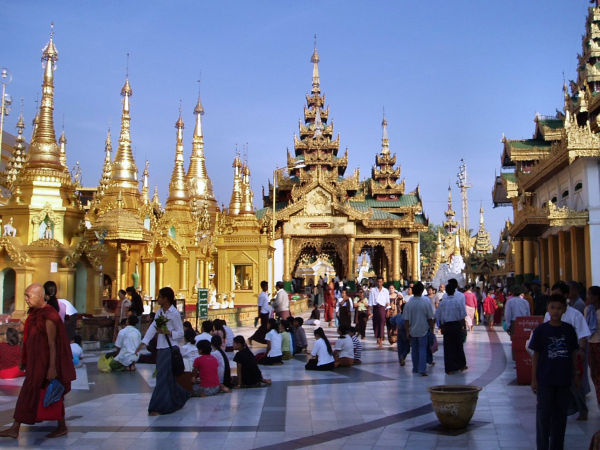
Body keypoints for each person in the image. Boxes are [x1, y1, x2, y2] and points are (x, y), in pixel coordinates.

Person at [0, 283, 76, 439]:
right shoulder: (35, 313)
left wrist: (52, 368)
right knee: (29, 394)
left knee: (53, 395)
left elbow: (52, 344)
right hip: (36, 363)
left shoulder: (49, 316)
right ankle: (16, 428)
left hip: (46, 364)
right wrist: (24, 358)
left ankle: (61, 426)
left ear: (40, 296)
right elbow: (30, 337)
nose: (26, 299)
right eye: (25, 296)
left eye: (29, 296)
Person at [529, 294, 579, 450]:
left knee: (560, 417)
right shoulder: (541, 331)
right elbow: (536, 356)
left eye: (559, 308)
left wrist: (576, 374)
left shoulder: (569, 330)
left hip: (563, 380)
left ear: (564, 309)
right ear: (547, 309)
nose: (556, 311)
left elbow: (573, 354)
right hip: (545, 380)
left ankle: (557, 446)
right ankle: (542, 446)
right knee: (544, 417)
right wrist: (534, 379)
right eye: (553, 308)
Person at [136, 287, 189, 415]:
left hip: (170, 348)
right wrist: (144, 342)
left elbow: (180, 333)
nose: (158, 299)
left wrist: (168, 332)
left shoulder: (174, 313)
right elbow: (153, 327)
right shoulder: (160, 312)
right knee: (166, 377)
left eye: (160, 297)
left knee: (162, 378)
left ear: (166, 299)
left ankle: (157, 407)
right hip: (161, 347)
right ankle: (181, 396)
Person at [545, 281, 591, 421]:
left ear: (565, 296)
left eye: (558, 295)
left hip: (572, 354)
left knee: (575, 383)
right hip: (555, 354)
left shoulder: (575, 315)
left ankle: (582, 409)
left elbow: (583, 334)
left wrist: (581, 350)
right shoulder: (548, 315)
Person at [435, 278, 468, 375]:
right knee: (458, 346)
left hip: (447, 326)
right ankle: (460, 365)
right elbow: (462, 315)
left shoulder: (443, 302)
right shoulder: (458, 301)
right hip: (456, 325)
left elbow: (438, 315)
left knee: (448, 347)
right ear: (454, 290)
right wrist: (463, 327)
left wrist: (441, 326)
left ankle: (449, 368)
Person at [403, 282, 434, 376]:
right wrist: (432, 330)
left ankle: (415, 368)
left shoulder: (409, 304)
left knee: (415, 350)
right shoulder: (426, 302)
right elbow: (430, 318)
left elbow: (406, 320)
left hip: (413, 330)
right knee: (422, 349)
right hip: (423, 329)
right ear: (421, 291)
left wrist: (407, 331)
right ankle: (422, 369)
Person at [585, 286, 600, 406]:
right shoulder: (588, 310)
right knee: (594, 373)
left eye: (590, 295)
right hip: (591, 343)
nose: (588, 297)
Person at [368, 276, 390, 348]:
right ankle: (377, 336)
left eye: (381, 282)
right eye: (378, 282)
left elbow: (387, 302)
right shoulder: (373, 290)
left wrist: (388, 310)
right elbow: (370, 301)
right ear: (376, 282)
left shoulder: (386, 291)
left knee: (382, 322)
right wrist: (369, 310)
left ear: (383, 282)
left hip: (382, 308)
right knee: (375, 323)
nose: (379, 283)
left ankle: (380, 338)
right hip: (375, 307)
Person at [249, 281, 271, 346]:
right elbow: (260, 306)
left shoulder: (265, 294)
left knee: (264, 328)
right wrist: (259, 315)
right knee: (263, 327)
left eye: (267, 286)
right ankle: (252, 338)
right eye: (265, 286)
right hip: (263, 313)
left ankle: (265, 340)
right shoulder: (261, 295)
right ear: (262, 287)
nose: (267, 287)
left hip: (266, 313)